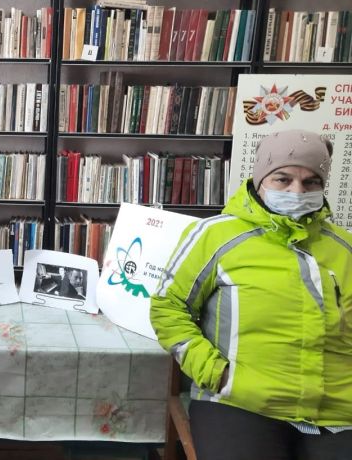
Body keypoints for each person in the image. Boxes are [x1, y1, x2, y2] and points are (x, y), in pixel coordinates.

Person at [150, 129, 352, 460]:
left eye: (311, 182)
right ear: (260, 180)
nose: (297, 191)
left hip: (336, 410)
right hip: (240, 401)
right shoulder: (215, 236)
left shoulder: (344, 247)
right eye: (283, 179)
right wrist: (217, 374)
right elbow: (168, 308)